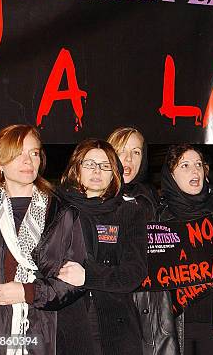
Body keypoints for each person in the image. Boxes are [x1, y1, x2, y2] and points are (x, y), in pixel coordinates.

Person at [0, 124, 85, 355]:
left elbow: (74, 280)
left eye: (34, 153)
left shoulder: (62, 214)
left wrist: (29, 292)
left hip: (46, 332)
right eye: (18, 154)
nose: (28, 161)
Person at [55, 138, 148, 355]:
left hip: (116, 325)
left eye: (105, 165)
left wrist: (89, 276)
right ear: (76, 169)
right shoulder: (57, 210)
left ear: (113, 172)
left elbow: (134, 273)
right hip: (67, 322)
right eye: (89, 164)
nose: (97, 171)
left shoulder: (129, 212)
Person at [157, 144, 213, 355]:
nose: (194, 171)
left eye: (198, 165)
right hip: (172, 323)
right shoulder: (158, 217)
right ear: (171, 176)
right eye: (184, 165)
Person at [108, 127, 180, 355]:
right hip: (110, 309)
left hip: (152, 313)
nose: (128, 159)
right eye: (121, 151)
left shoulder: (153, 203)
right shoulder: (92, 201)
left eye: (136, 152)